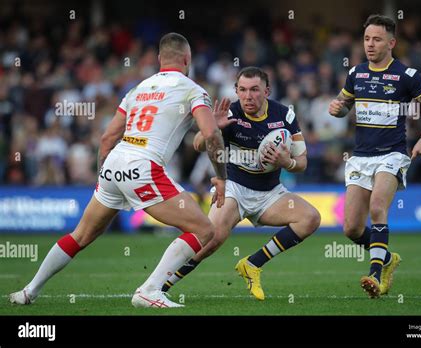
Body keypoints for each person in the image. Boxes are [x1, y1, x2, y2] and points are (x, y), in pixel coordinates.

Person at [9, 32, 229, 309]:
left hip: (114, 163)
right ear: (188, 59)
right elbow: (209, 135)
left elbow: (107, 138)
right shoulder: (193, 90)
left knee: (80, 236)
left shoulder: (136, 90)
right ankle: (150, 290)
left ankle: (29, 291)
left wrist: (105, 179)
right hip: (144, 165)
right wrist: (221, 177)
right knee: (204, 230)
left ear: (160, 59)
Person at [162, 66, 321, 301]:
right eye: (242, 90)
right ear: (236, 90)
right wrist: (213, 128)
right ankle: (161, 286)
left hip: (270, 193)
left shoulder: (284, 115)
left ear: (266, 91)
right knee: (212, 238)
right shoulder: (230, 113)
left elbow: (303, 162)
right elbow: (196, 145)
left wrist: (287, 162)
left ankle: (252, 264)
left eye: (255, 90)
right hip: (233, 188)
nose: (248, 96)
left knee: (310, 218)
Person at [328, 14, 421, 298]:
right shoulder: (356, 73)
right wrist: (338, 108)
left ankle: (376, 276)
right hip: (360, 157)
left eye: (377, 39)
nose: (370, 44)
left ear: (391, 43)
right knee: (352, 228)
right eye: (367, 38)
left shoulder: (407, 76)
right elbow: (345, 106)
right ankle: (388, 259)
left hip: (391, 154)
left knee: (378, 206)